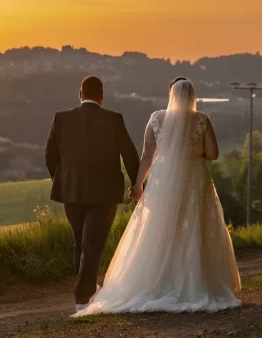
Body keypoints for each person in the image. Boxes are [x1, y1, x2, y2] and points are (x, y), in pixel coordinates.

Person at [73, 77, 241, 316]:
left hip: (163, 180)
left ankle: (156, 281)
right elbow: (213, 154)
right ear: (192, 96)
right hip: (194, 178)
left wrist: (138, 184)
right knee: (195, 226)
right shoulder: (202, 119)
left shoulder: (156, 118)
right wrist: (194, 153)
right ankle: (194, 283)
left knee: (159, 229)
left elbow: (148, 154)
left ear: (170, 94)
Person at [45, 75, 140, 312]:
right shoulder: (113, 119)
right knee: (91, 245)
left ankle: (87, 290)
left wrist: (63, 181)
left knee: (81, 243)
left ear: (80, 95)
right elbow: (129, 154)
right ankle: (82, 299)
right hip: (104, 192)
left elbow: (50, 156)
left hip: (72, 192)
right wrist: (138, 184)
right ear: (101, 97)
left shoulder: (61, 118)